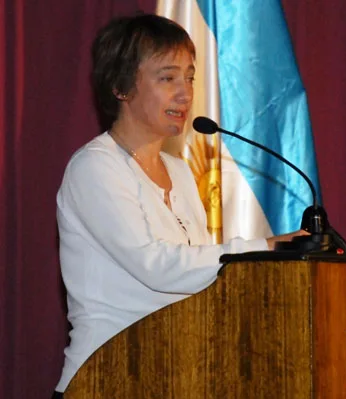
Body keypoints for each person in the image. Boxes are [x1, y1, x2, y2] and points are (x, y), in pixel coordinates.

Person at [53, 14, 306, 396]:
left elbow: (201, 278)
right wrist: (267, 248)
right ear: (122, 86)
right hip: (104, 378)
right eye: (167, 77)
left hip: (172, 375)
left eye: (189, 76)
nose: (186, 93)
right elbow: (156, 267)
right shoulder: (94, 167)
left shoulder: (181, 172)